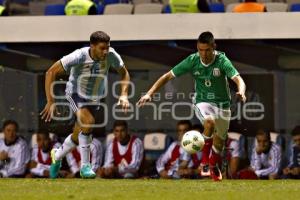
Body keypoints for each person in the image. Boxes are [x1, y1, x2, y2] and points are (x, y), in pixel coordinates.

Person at [138, 31, 246, 181]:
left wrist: (241, 91)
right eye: (201, 50)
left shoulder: (222, 60)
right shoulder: (192, 60)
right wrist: (150, 93)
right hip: (203, 102)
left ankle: (214, 165)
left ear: (214, 47)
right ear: (197, 48)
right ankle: (205, 163)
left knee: (219, 142)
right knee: (209, 122)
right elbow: (167, 76)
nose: (204, 54)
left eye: (207, 50)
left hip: (223, 105)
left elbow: (238, 79)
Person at [40, 31, 130, 179]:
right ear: (92, 46)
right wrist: (50, 101)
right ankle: (85, 167)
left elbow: (124, 73)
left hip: (95, 99)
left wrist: (124, 94)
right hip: (75, 94)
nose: (105, 51)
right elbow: (51, 72)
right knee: (88, 122)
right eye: (102, 48)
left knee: (78, 135)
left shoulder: (111, 55)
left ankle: (57, 155)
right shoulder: (79, 56)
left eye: (107, 47)